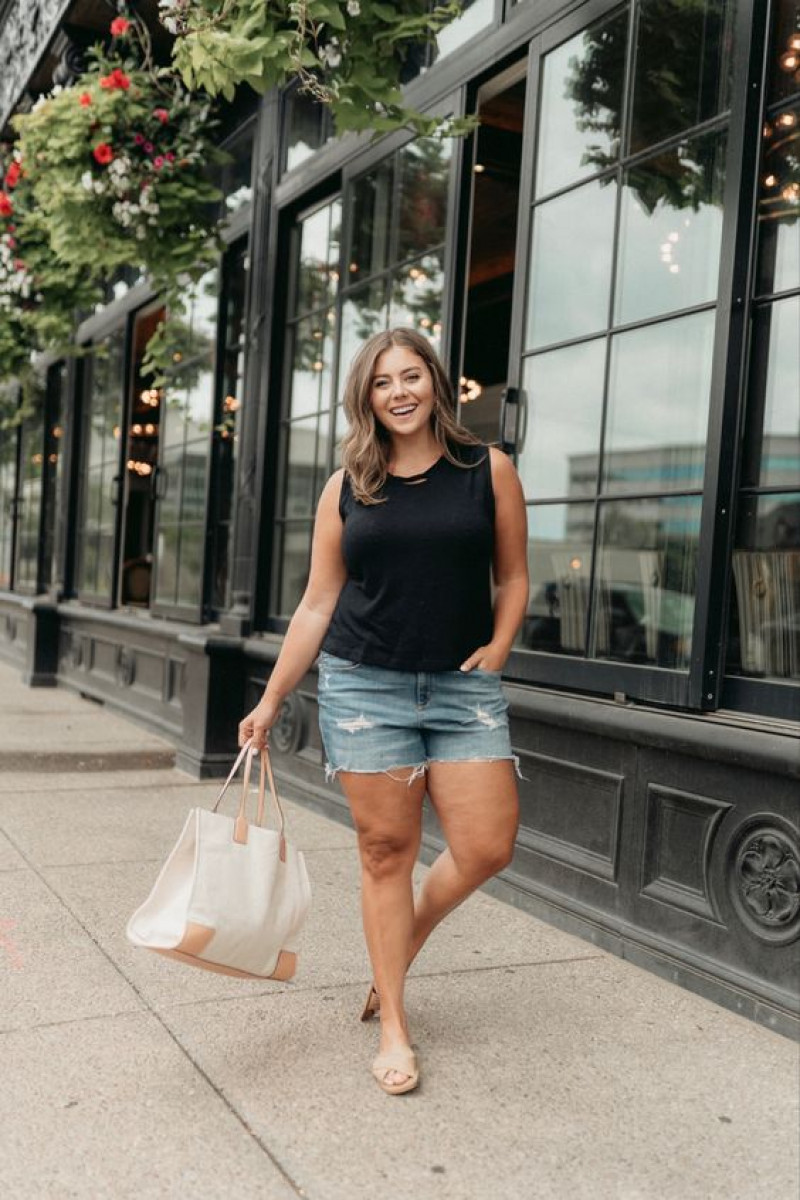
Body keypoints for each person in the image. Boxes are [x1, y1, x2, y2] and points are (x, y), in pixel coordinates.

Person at [239, 327, 529, 1095]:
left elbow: (515, 576)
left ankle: (401, 946)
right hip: (365, 688)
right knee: (386, 857)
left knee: (487, 846)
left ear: (436, 383)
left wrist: (499, 645)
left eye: (411, 377)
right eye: (381, 382)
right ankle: (396, 1026)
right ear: (365, 397)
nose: (399, 392)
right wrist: (270, 700)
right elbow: (316, 602)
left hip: (464, 689)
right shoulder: (348, 485)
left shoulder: (487, 471)